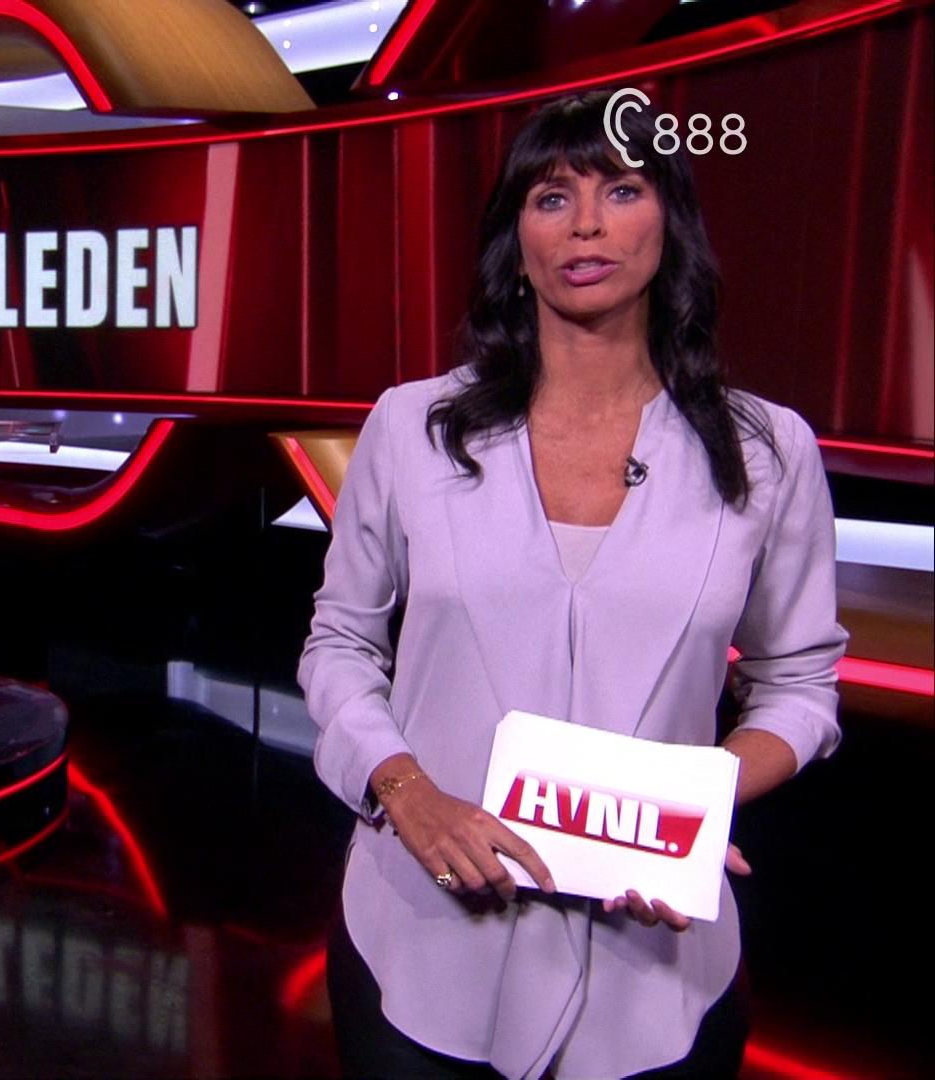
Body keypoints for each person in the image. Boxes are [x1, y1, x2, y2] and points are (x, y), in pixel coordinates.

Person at [296, 90, 846, 1079]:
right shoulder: (413, 429)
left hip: (655, 976)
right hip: (419, 947)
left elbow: (800, 684)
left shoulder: (768, 450)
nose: (587, 223)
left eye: (621, 191)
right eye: (552, 197)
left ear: (670, 226)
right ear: (517, 242)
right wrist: (404, 791)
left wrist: (687, 811)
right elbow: (339, 642)